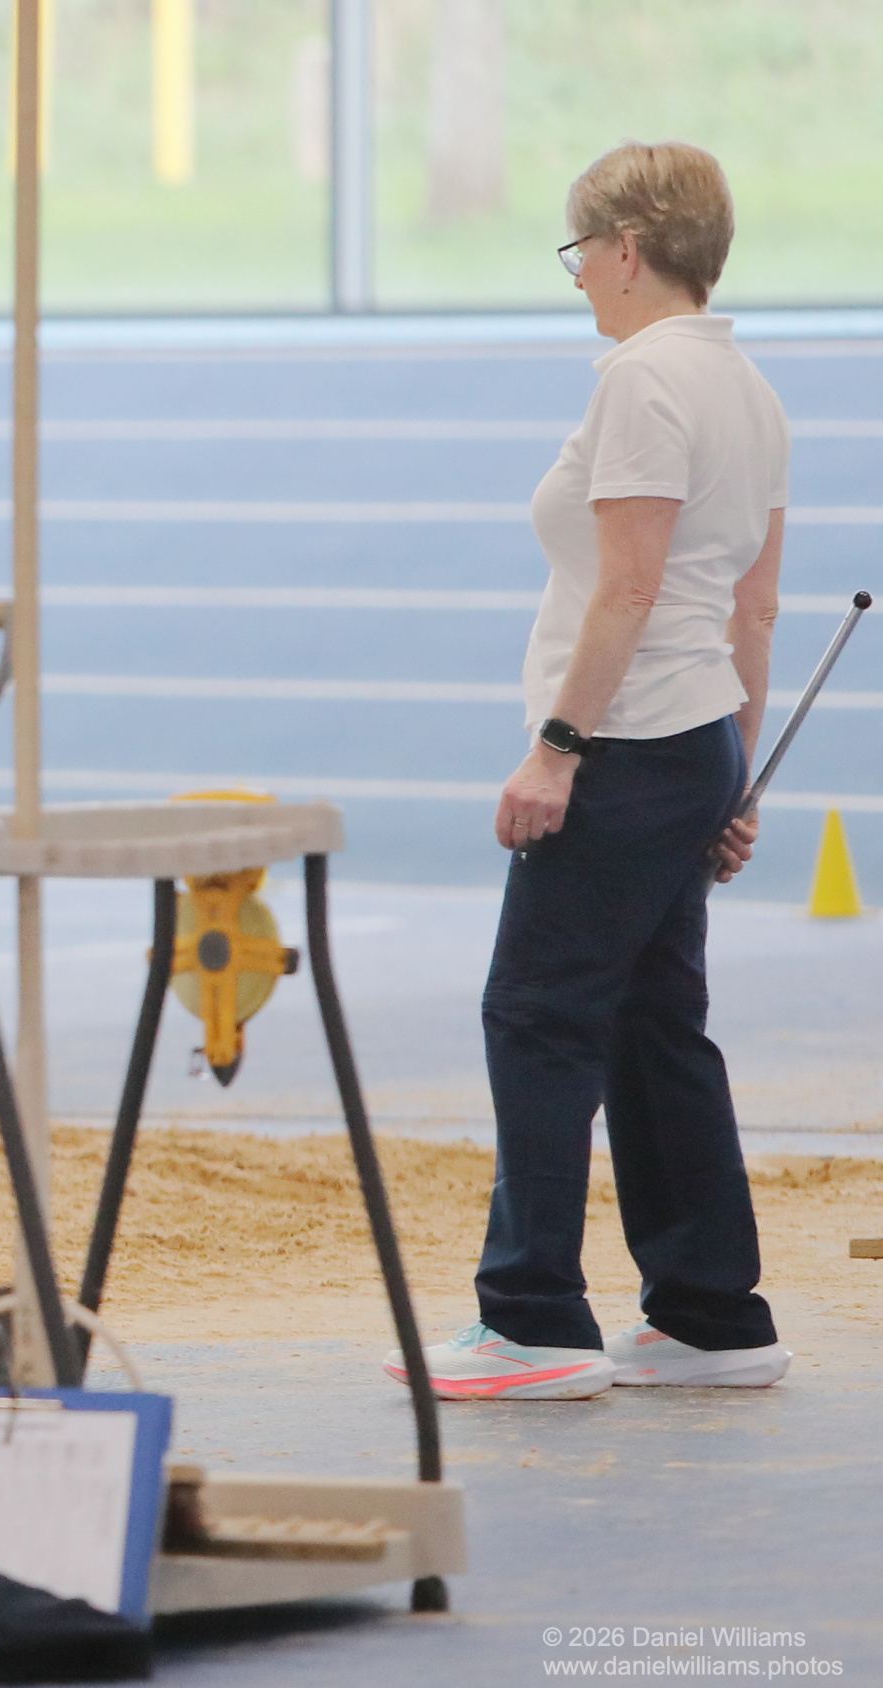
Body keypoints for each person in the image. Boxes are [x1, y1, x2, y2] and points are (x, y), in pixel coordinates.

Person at [387, 142, 792, 1400]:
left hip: (621, 749)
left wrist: (554, 750)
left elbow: (627, 588)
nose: (576, 281)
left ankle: (533, 1321)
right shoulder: (750, 390)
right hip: (692, 739)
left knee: (538, 1014)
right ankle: (711, 1317)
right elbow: (754, 609)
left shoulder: (642, 380)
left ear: (624, 248)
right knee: (652, 1023)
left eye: (577, 254)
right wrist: (735, 773)